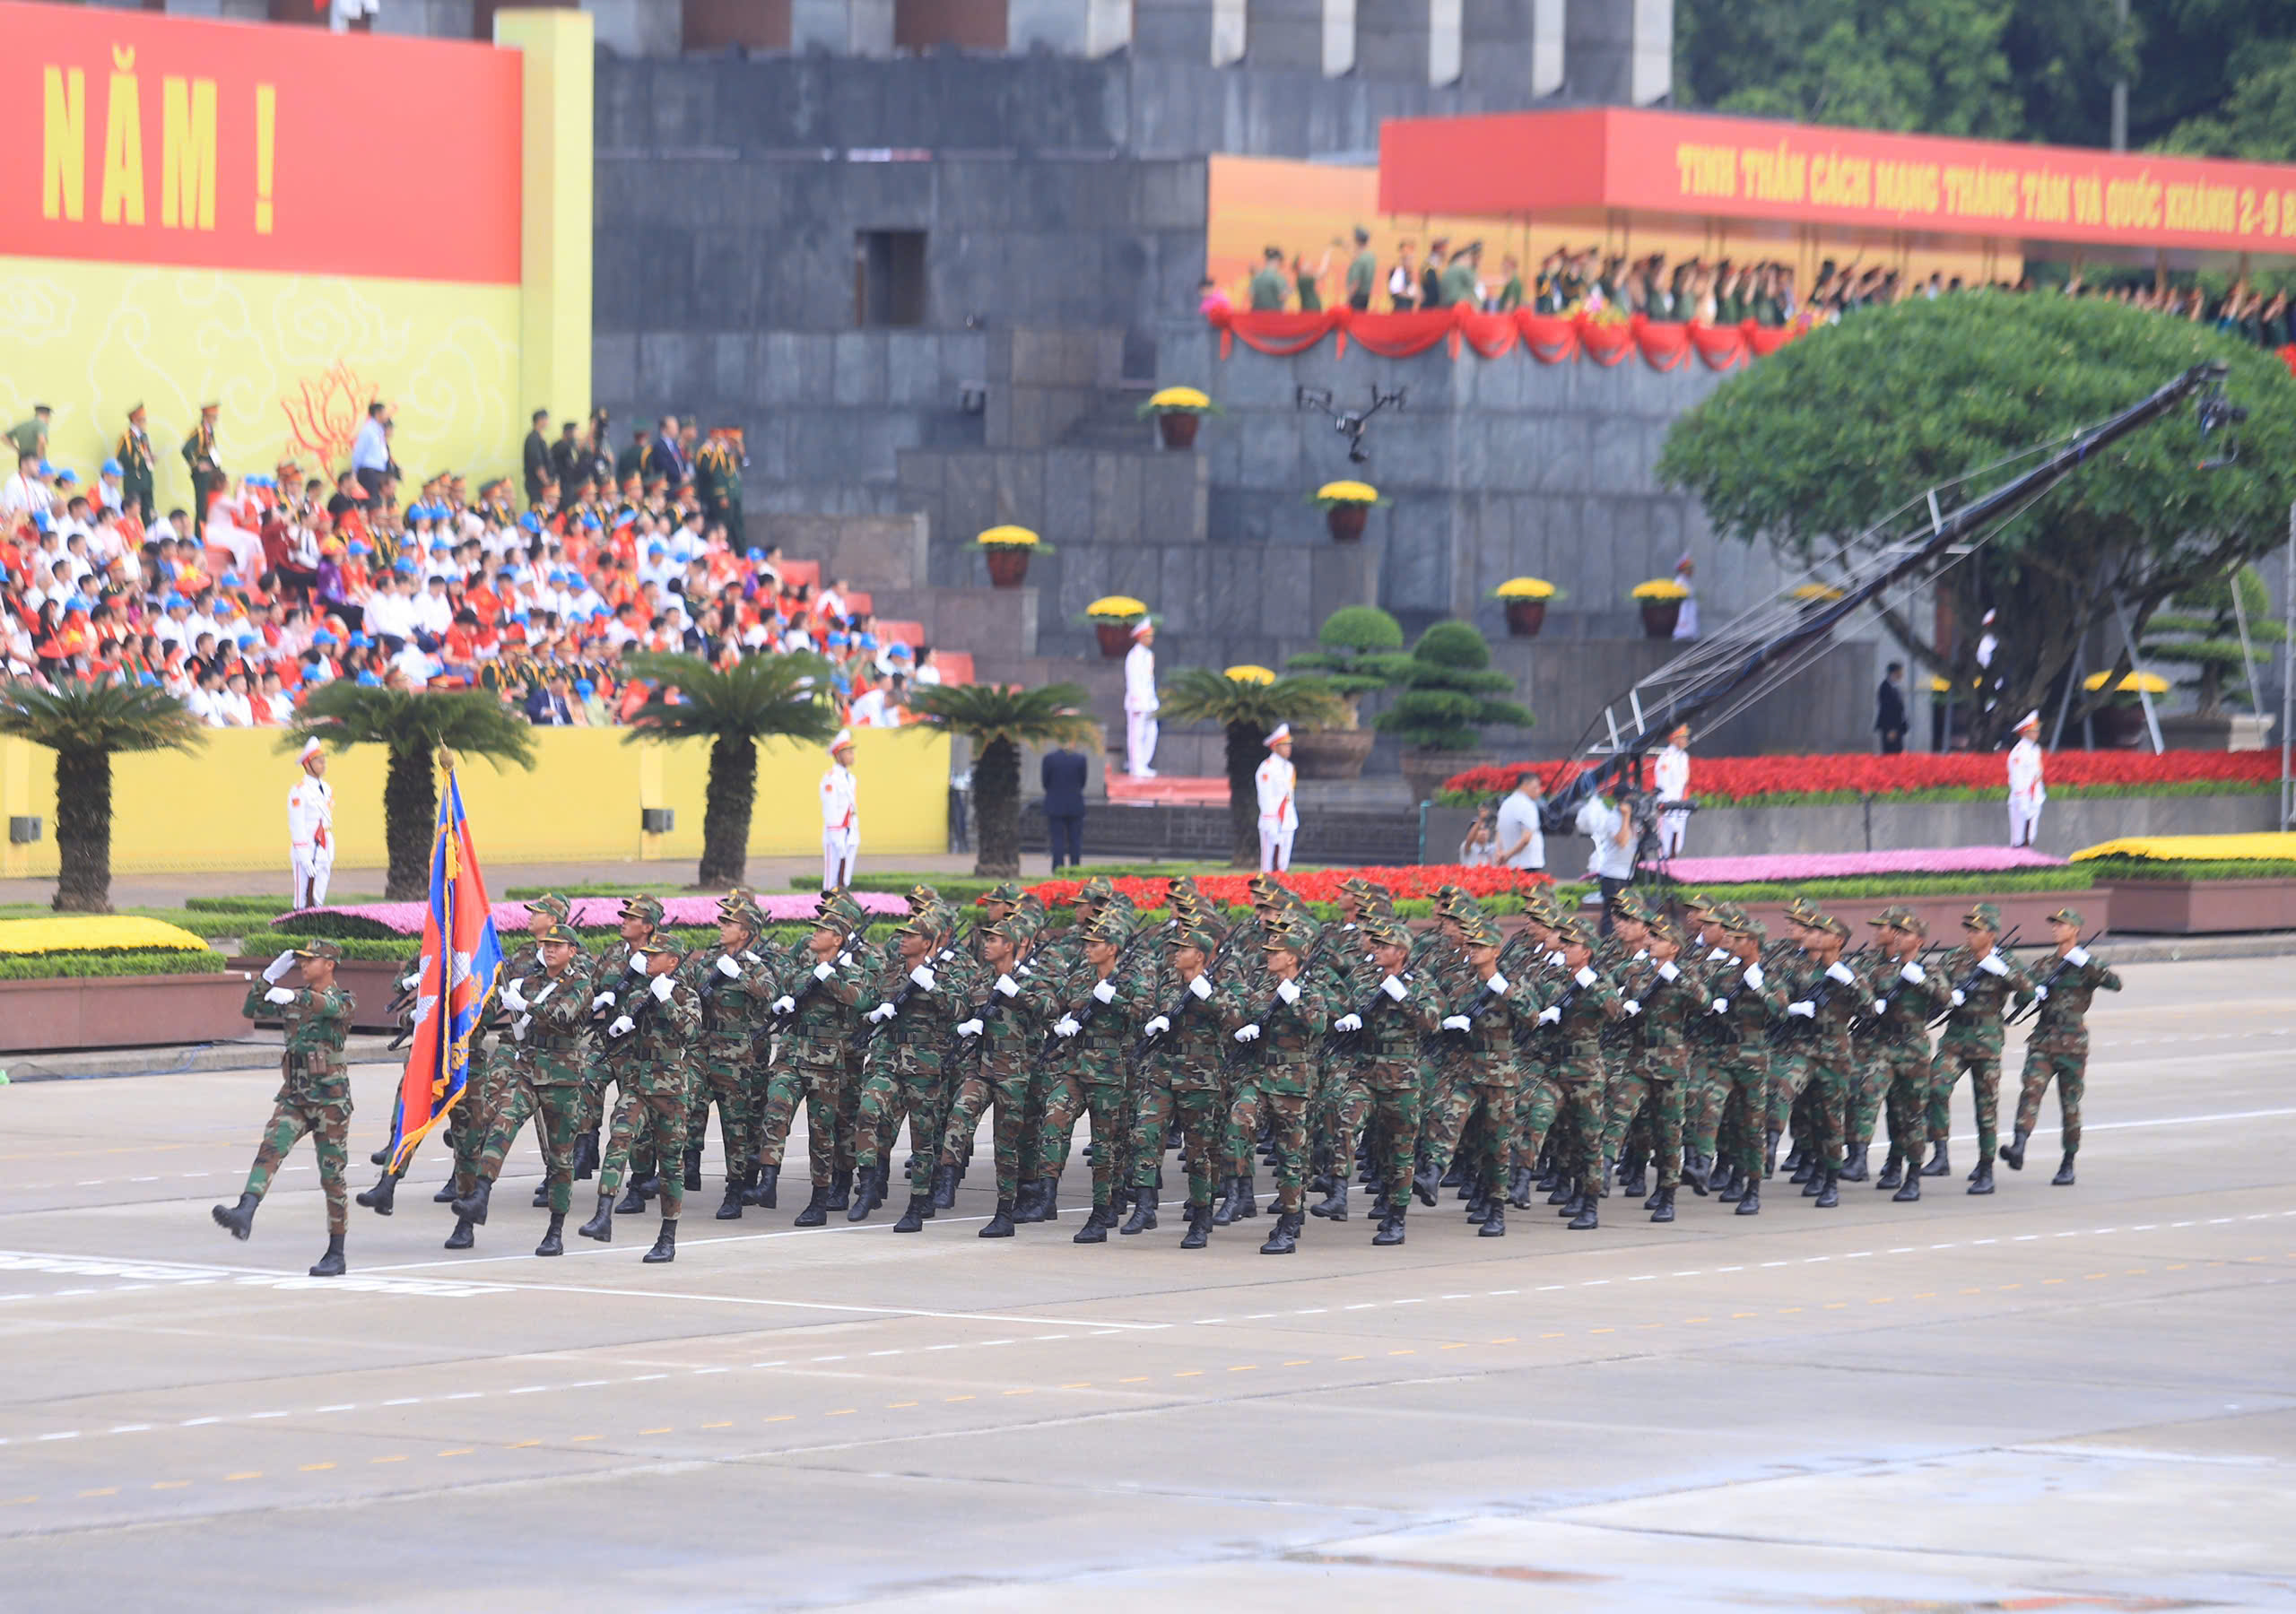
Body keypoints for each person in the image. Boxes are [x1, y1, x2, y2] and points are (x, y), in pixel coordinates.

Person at [210, 940, 355, 1277]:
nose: (303, 966)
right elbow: (251, 1008)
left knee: (332, 1177)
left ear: (330, 964)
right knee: (270, 1148)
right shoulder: (292, 998)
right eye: (300, 961)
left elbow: (326, 1005)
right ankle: (244, 1212)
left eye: (310, 960)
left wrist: (294, 996)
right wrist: (269, 977)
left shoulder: (343, 999)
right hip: (296, 1096)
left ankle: (337, 1252)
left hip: (330, 1101)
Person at [578, 937, 702, 1263]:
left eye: (654, 955)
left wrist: (667, 1001)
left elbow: (689, 1032)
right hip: (636, 1083)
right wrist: (618, 1030)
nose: (647, 958)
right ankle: (603, 1214)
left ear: (673, 962)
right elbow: (618, 1038)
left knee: (671, 1163)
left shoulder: (685, 996)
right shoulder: (636, 995)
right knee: (618, 1139)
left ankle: (667, 1236)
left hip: (671, 1089)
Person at [2001, 907, 2120, 1186]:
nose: (2055, 928)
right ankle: (2018, 1146)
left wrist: (2087, 963)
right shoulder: (2044, 964)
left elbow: (2115, 983)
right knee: (2030, 1090)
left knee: (2070, 1104)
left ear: (2075, 931)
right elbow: (2021, 999)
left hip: (2073, 1045)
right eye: (2054, 924)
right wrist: (2031, 992)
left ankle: (2068, 1162)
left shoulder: (2086, 963)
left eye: (2061, 924)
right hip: (2043, 1040)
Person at [1575, 785, 1635, 930]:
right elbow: (1622, 841)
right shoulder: (1613, 817)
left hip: (1626, 872)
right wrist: (1626, 817)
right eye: (1630, 800)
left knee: (1624, 913)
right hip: (1613, 874)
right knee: (1612, 914)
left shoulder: (1632, 818)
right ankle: (1606, 945)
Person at [287, 737, 335, 907]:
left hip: (324, 845)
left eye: (323, 759)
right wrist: (304, 855)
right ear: (307, 764)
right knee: (303, 896)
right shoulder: (299, 791)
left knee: (319, 894)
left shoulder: (327, 789)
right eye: (318, 760)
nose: (323, 763)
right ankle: (299, 927)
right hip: (308, 846)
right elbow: (296, 825)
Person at [1255, 724, 1299, 872]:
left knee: (1283, 864)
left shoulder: (1289, 767)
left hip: (1288, 819)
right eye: (1284, 745)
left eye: (1289, 745)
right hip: (1272, 820)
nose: (1288, 748)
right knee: (1268, 864)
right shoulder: (1267, 768)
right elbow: (1265, 798)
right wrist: (1270, 822)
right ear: (1274, 747)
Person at [820, 729, 859, 889]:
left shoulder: (851, 778)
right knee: (832, 879)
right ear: (837, 755)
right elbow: (830, 807)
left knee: (845, 878)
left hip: (850, 831)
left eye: (852, 751)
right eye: (847, 752)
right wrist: (836, 836)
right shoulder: (830, 777)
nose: (852, 755)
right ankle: (829, 908)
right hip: (835, 833)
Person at [1040, 737, 1088, 869]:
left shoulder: (1049, 759)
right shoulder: (1080, 759)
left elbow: (1045, 782)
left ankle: (1058, 869)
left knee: (1057, 840)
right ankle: (1075, 867)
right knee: (1075, 840)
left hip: (1055, 805)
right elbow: (1083, 781)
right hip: (1075, 805)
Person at [1122, 618, 1158, 777]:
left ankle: (1144, 763)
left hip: (1150, 702)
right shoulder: (1134, 655)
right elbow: (1133, 680)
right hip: (1137, 702)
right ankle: (1136, 766)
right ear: (1141, 637)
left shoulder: (1148, 655)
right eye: (1148, 636)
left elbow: (1149, 680)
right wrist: (1137, 702)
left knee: (1151, 732)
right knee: (1136, 734)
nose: (1151, 639)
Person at [182, 403, 222, 537]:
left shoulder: (209, 431)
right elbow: (186, 449)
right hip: (202, 476)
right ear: (206, 417)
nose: (215, 420)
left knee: (209, 506)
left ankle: (207, 535)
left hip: (210, 475)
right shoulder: (199, 432)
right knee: (202, 507)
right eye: (213, 417)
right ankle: (200, 536)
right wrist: (197, 465)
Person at [2006, 710, 2046, 846]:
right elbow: (2017, 779)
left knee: (2030, 837)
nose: (2037, 733)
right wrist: (2023, 801)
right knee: (2019, 840)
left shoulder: (2035, 750)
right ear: (2024, 732)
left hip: (2034, 798)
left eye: (2037, 730)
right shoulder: (2019, 752)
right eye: (2033, 730)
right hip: (2022, 800)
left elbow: (2037, 775)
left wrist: (2039, 796)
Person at [1652, 724, 1692, 857]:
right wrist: (1665, 807)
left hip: (1681, 806)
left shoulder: (1684, 757)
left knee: (1678, 844)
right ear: (1675, 739)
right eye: (1683, 737)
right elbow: (1663, 785)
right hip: (1668, 806)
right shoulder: (1666, 758)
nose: (1686, 739)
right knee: (1666, 845)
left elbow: (1684, 783)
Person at [1494, 771, 1545, 872]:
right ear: (1525, 785)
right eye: (1536, 787)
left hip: (1509, 865)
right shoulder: (1527, 805)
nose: (1539, 791)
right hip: (1528, 864)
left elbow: (1499, 831)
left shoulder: (1506, 804)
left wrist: (1500, 853)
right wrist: (1507, 855)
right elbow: (1526, 838)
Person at [116, 404, 156, 524]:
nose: (145, 422)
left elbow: (146, 454)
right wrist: (142, 459)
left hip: (146, 479)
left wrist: (150, 458)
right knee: (133, 511)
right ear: (134, 420)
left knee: (148, 512)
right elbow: (121, 458)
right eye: (142, 420)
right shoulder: (126, 438)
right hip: (134, 481)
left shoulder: (144, 436)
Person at [351, 401, 392, 501]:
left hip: (378, 472)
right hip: (368, 472)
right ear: (378, 413)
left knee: (378, 502)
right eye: (385, 412)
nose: (387, 415)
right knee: (371, 502)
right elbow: (359, 451)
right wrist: (354, 471)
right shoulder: (368, 429)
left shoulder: (379, 430)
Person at [1875, 661, 1909, 754]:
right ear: (1894, 672)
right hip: (1890, 728)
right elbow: (1886, 710)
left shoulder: (1895, 687)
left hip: (1898, 727)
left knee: (1898, 753)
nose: (1902, 674)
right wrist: (1891, 728)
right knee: (1891, 754)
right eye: (1900, 672)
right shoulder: (1885, 687)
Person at [522, 409, 553, 503]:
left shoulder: (539, 437)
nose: (548, 422)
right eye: (546, 419)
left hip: (540, 484)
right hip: (536, 484)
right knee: (538, 507)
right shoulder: (533, 438)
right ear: (540, 420)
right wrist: (546, 481)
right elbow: (538, 463)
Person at [1344, 226, 1377, 312]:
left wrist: (1347, 300)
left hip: (1356, 297)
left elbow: (1355, 283)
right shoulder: (1371, 257)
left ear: (1357, 240)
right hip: (1366, 296)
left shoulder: (1359, 260)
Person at [1248, 246, 1290, 311]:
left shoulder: (1257, 276)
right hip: (1274, 317)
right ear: (1277, 261)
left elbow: (1250, 297)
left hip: (1257, 316)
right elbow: (1282, 296)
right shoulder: (1278, 278)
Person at [1671, 553, 1700, 638]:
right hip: (1684, 616)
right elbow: (1681, 604)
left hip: (1690, 613)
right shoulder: (1679, 583)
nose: (1692, 571)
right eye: (1689, 569)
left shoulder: (1686, 582)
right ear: (1683, 570)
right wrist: (1682, 620)